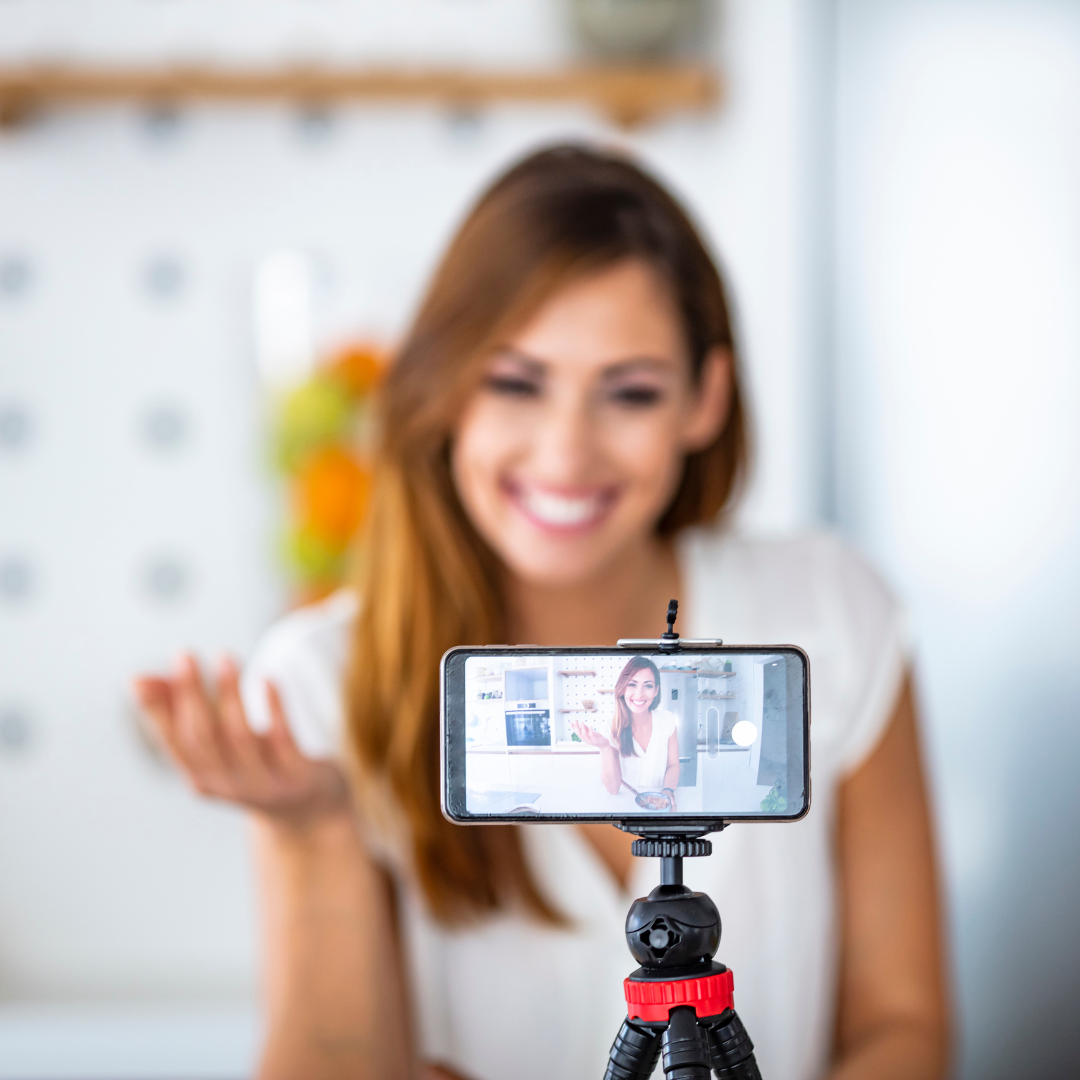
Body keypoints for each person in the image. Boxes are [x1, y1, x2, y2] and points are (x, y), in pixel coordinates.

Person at [133, 145, 949, 1080]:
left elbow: (903, 1027)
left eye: (630, 392)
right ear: (445, 387)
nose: (565, 452)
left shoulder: (829, 614)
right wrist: (313, 830)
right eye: (515, 382)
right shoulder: (320, 681)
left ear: (705, 399)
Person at [572, 655, 680, 807]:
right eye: (632, 684)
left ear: (656, 690)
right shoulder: (609, 728)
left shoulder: (667, 720)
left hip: (659, 805)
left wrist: (668, 791)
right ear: (622, 688)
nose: (639, 694)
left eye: (648, 686)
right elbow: (613, 788)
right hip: (624, 806)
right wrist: (605, 747)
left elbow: (673, 765)